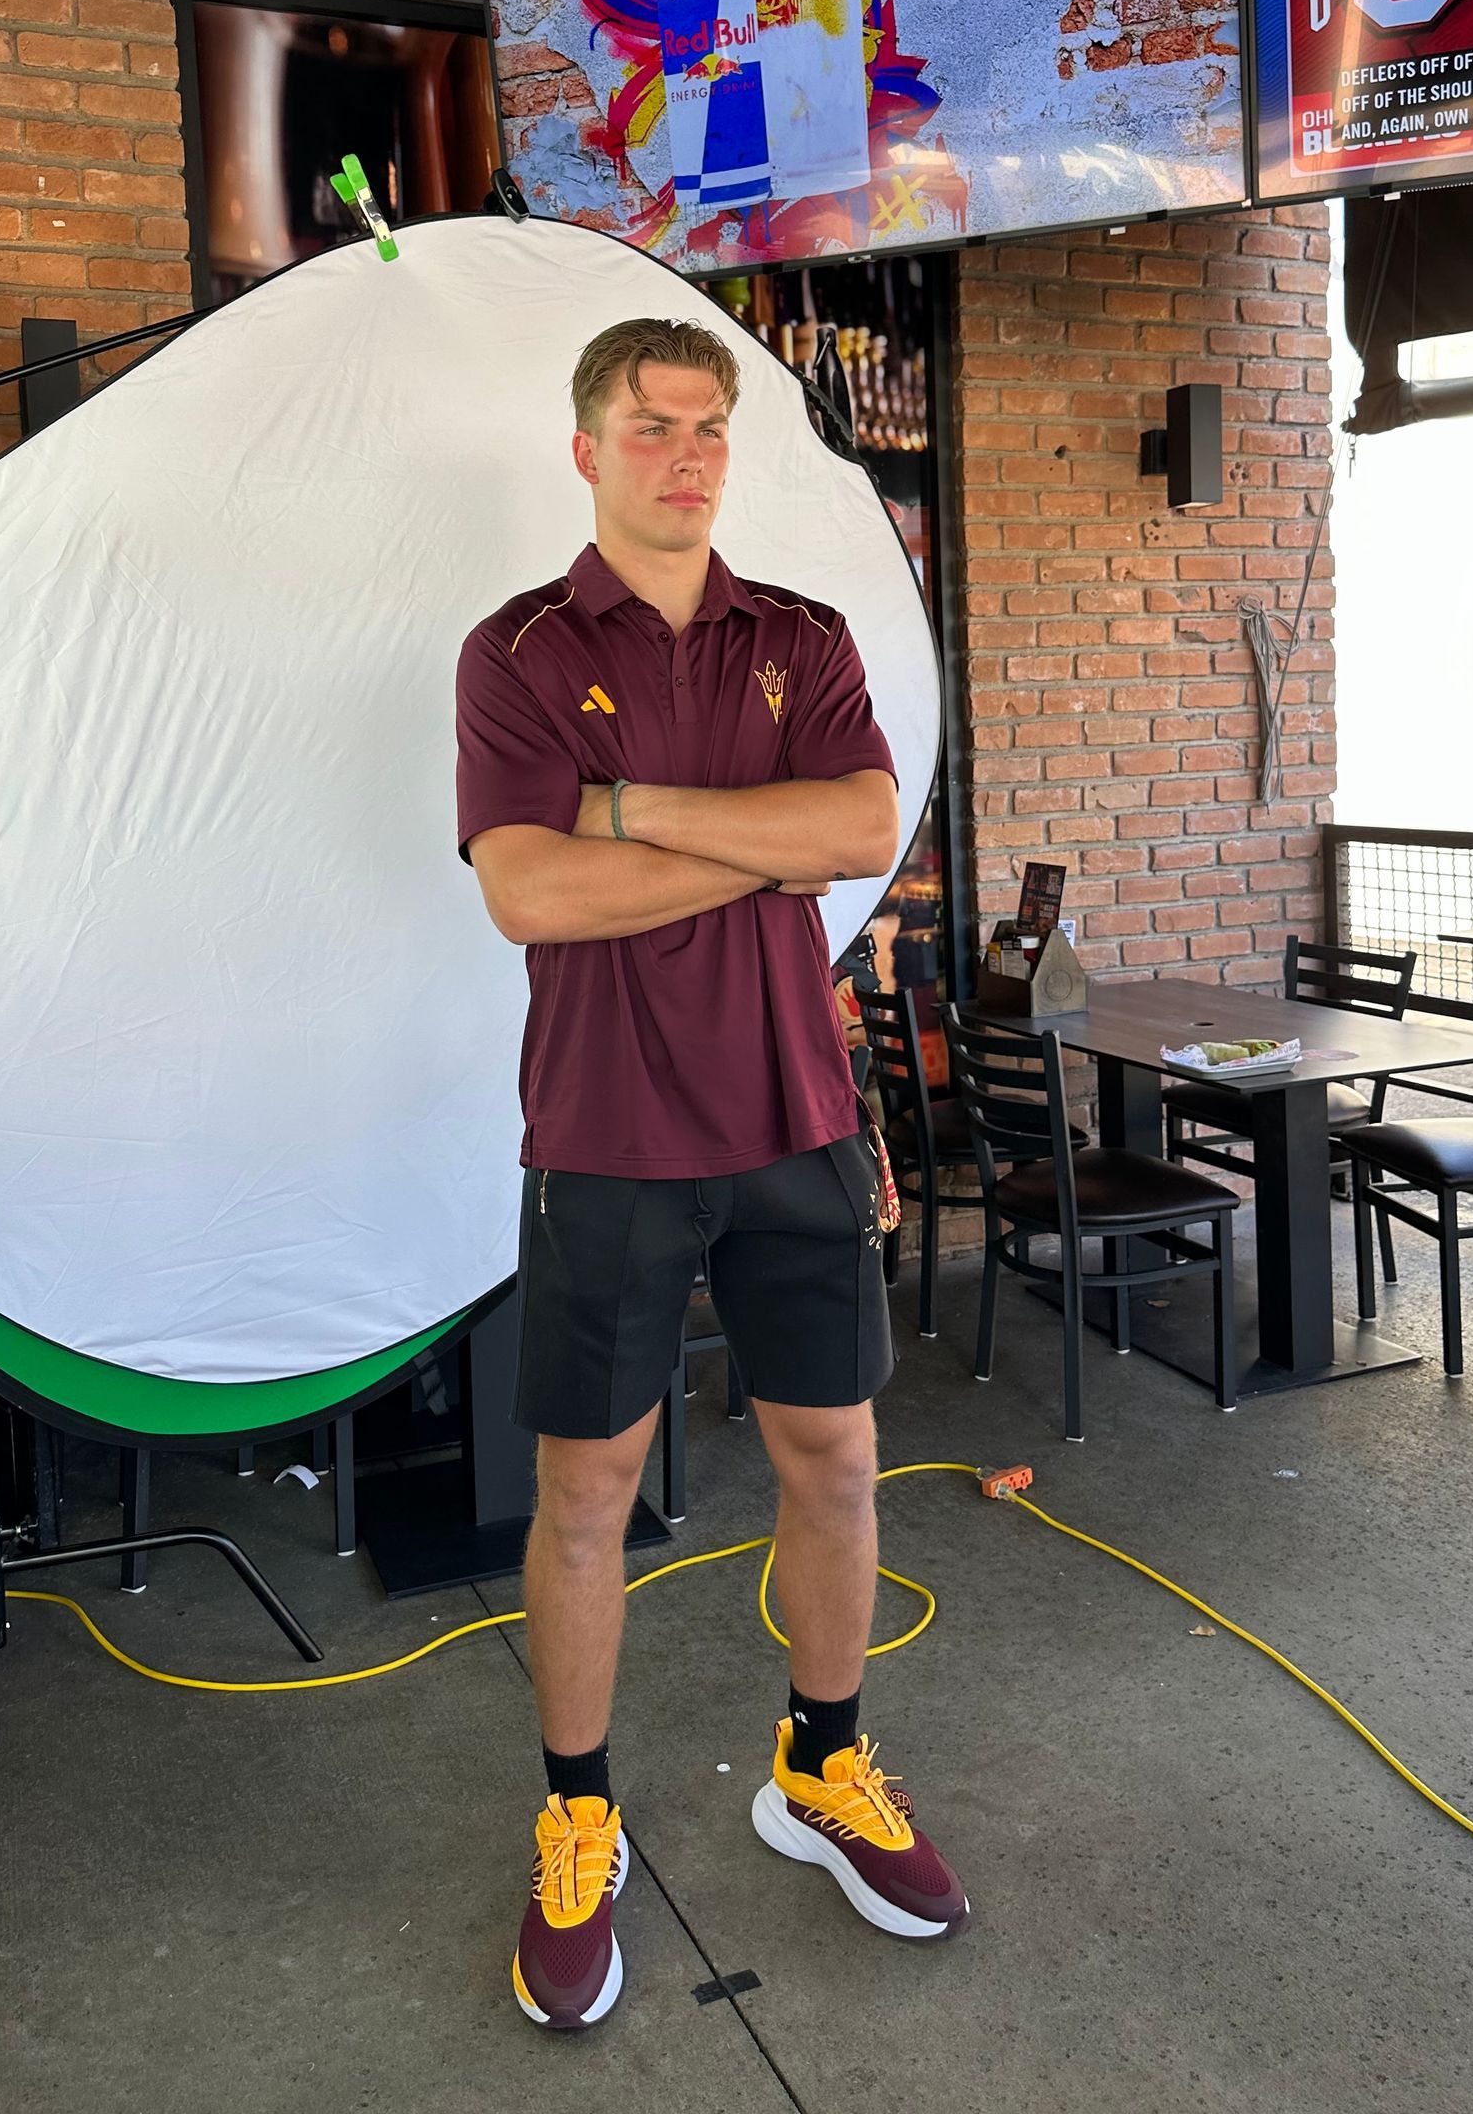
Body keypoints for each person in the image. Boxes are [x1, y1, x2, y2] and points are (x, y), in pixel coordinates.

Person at [455, 316, 968, 2030]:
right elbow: (528, 894)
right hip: (603, 1127)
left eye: (710, 428)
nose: (686, 454)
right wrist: (740, 844)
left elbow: (853, 833)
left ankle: (817, 1765)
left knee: (836, 1454)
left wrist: (629, 811)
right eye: (650, 423)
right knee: (589, 1489)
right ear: (586, 448)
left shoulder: (803, 634)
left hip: (796, 1115)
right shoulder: (515, 652)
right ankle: (579, 1808)